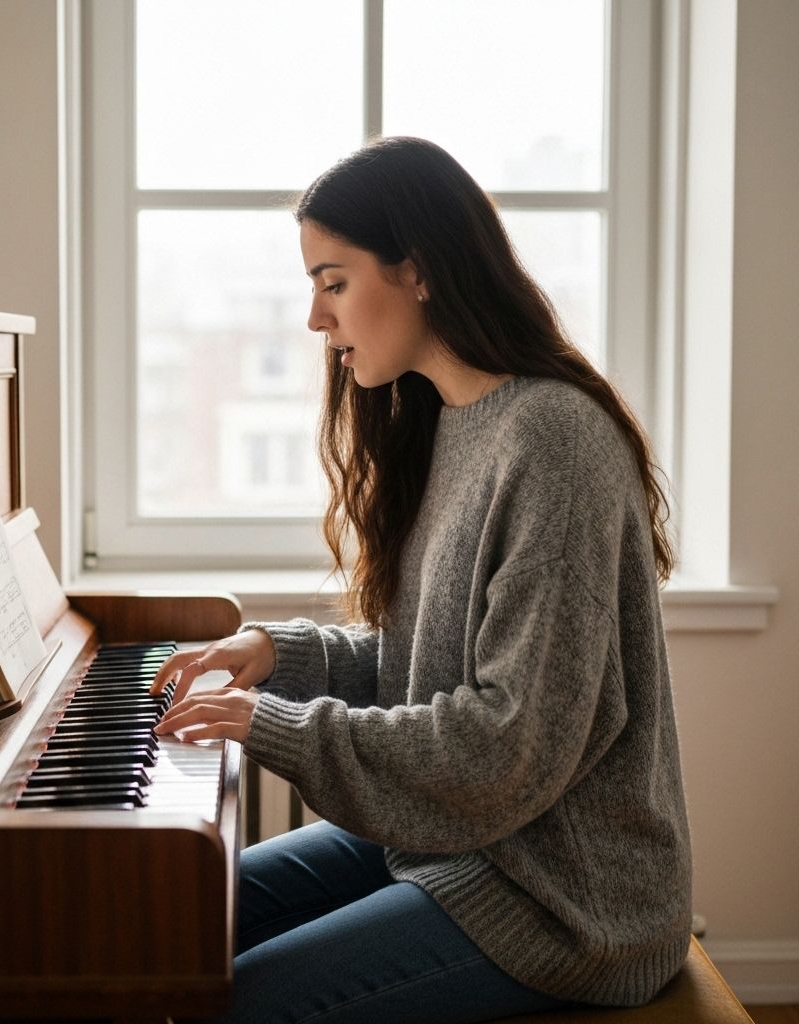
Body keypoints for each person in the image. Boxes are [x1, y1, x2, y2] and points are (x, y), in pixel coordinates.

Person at [150, 136, 692, 1024]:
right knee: (147, 922)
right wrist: (272, 654)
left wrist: (273, 726)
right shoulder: (451, 423)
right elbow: (422, 663)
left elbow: (504, 744)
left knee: (232, 1004)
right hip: (458, 843)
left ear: (421, 272)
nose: (316, 321)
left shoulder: (552, 442)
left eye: (333, 282)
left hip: (562, 903)